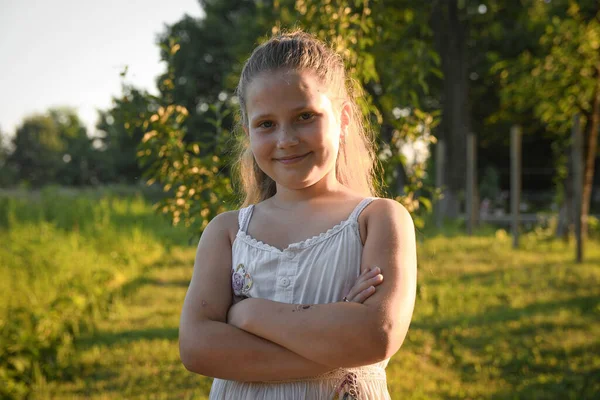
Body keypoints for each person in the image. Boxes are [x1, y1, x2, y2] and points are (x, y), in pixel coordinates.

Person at [179, 30, 417, 399]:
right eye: (266, 124)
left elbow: (375, 335)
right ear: (248, 132)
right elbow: (196, 347)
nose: (286, 139)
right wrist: (335, 343)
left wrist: (248, 314)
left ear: (344, 118)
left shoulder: (378, 220)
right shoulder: (227, 232)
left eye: (305, 116)